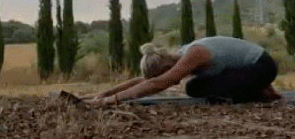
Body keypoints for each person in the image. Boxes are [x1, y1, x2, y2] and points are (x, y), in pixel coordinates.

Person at [83, 36, 281, 106]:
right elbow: (144, 80)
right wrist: (101, 94)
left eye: (164, 74)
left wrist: (111, 102)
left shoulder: (193, 55)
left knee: (197, 87)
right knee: (195, 87)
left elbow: (156, 84)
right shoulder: (179, 55)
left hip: (262, 67)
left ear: (167, 67)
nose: (168, 79)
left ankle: (261, 91)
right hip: (246, 70)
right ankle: (258, 89)